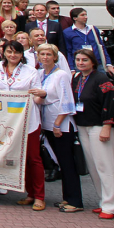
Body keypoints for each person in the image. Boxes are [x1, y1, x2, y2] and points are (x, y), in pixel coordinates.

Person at [0, 40, 44, 209]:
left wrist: (41, 96)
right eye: (9, 51)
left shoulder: (31, 71)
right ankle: (29, 193)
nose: (12, 55)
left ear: (22, 54)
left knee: (33, 158)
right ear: (4, 53)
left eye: (16, 52)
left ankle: (39, 196)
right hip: (5, 120)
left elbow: (37, 93)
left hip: (27, 119)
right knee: (18, 158)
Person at [31, 43, 82, 212]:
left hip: (61, 125)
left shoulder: (61, 75)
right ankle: (66, 198)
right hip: (47, 123)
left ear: (54, 57)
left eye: (48, 54)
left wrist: (58, 124)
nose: (45, 57)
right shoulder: (40, 74)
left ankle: (75, 201)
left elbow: (67, 101)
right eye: (42, 54)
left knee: (67, 163)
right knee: (60, 162)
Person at [71, 48, 114, 218]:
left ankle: (112, 205)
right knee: (93, 166)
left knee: (105, 165)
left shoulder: (101, 78)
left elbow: (109, 101)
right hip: (83, 125)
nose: (80, 63)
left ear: (92, 61)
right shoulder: (77, 78)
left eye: (84, 60)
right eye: (78, 60)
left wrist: (107, 124)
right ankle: (103, 200)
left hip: (100, 126)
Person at [63, 7, 114, 75]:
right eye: (82, 15)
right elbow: (68, 51)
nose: (86, 17)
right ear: (75, 18)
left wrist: (108, 63)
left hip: (97, 63)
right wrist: (71, 68)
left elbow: (101, 47)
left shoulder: (92, 29)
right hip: (80, 64)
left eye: (86, 15)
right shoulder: (67, 32)